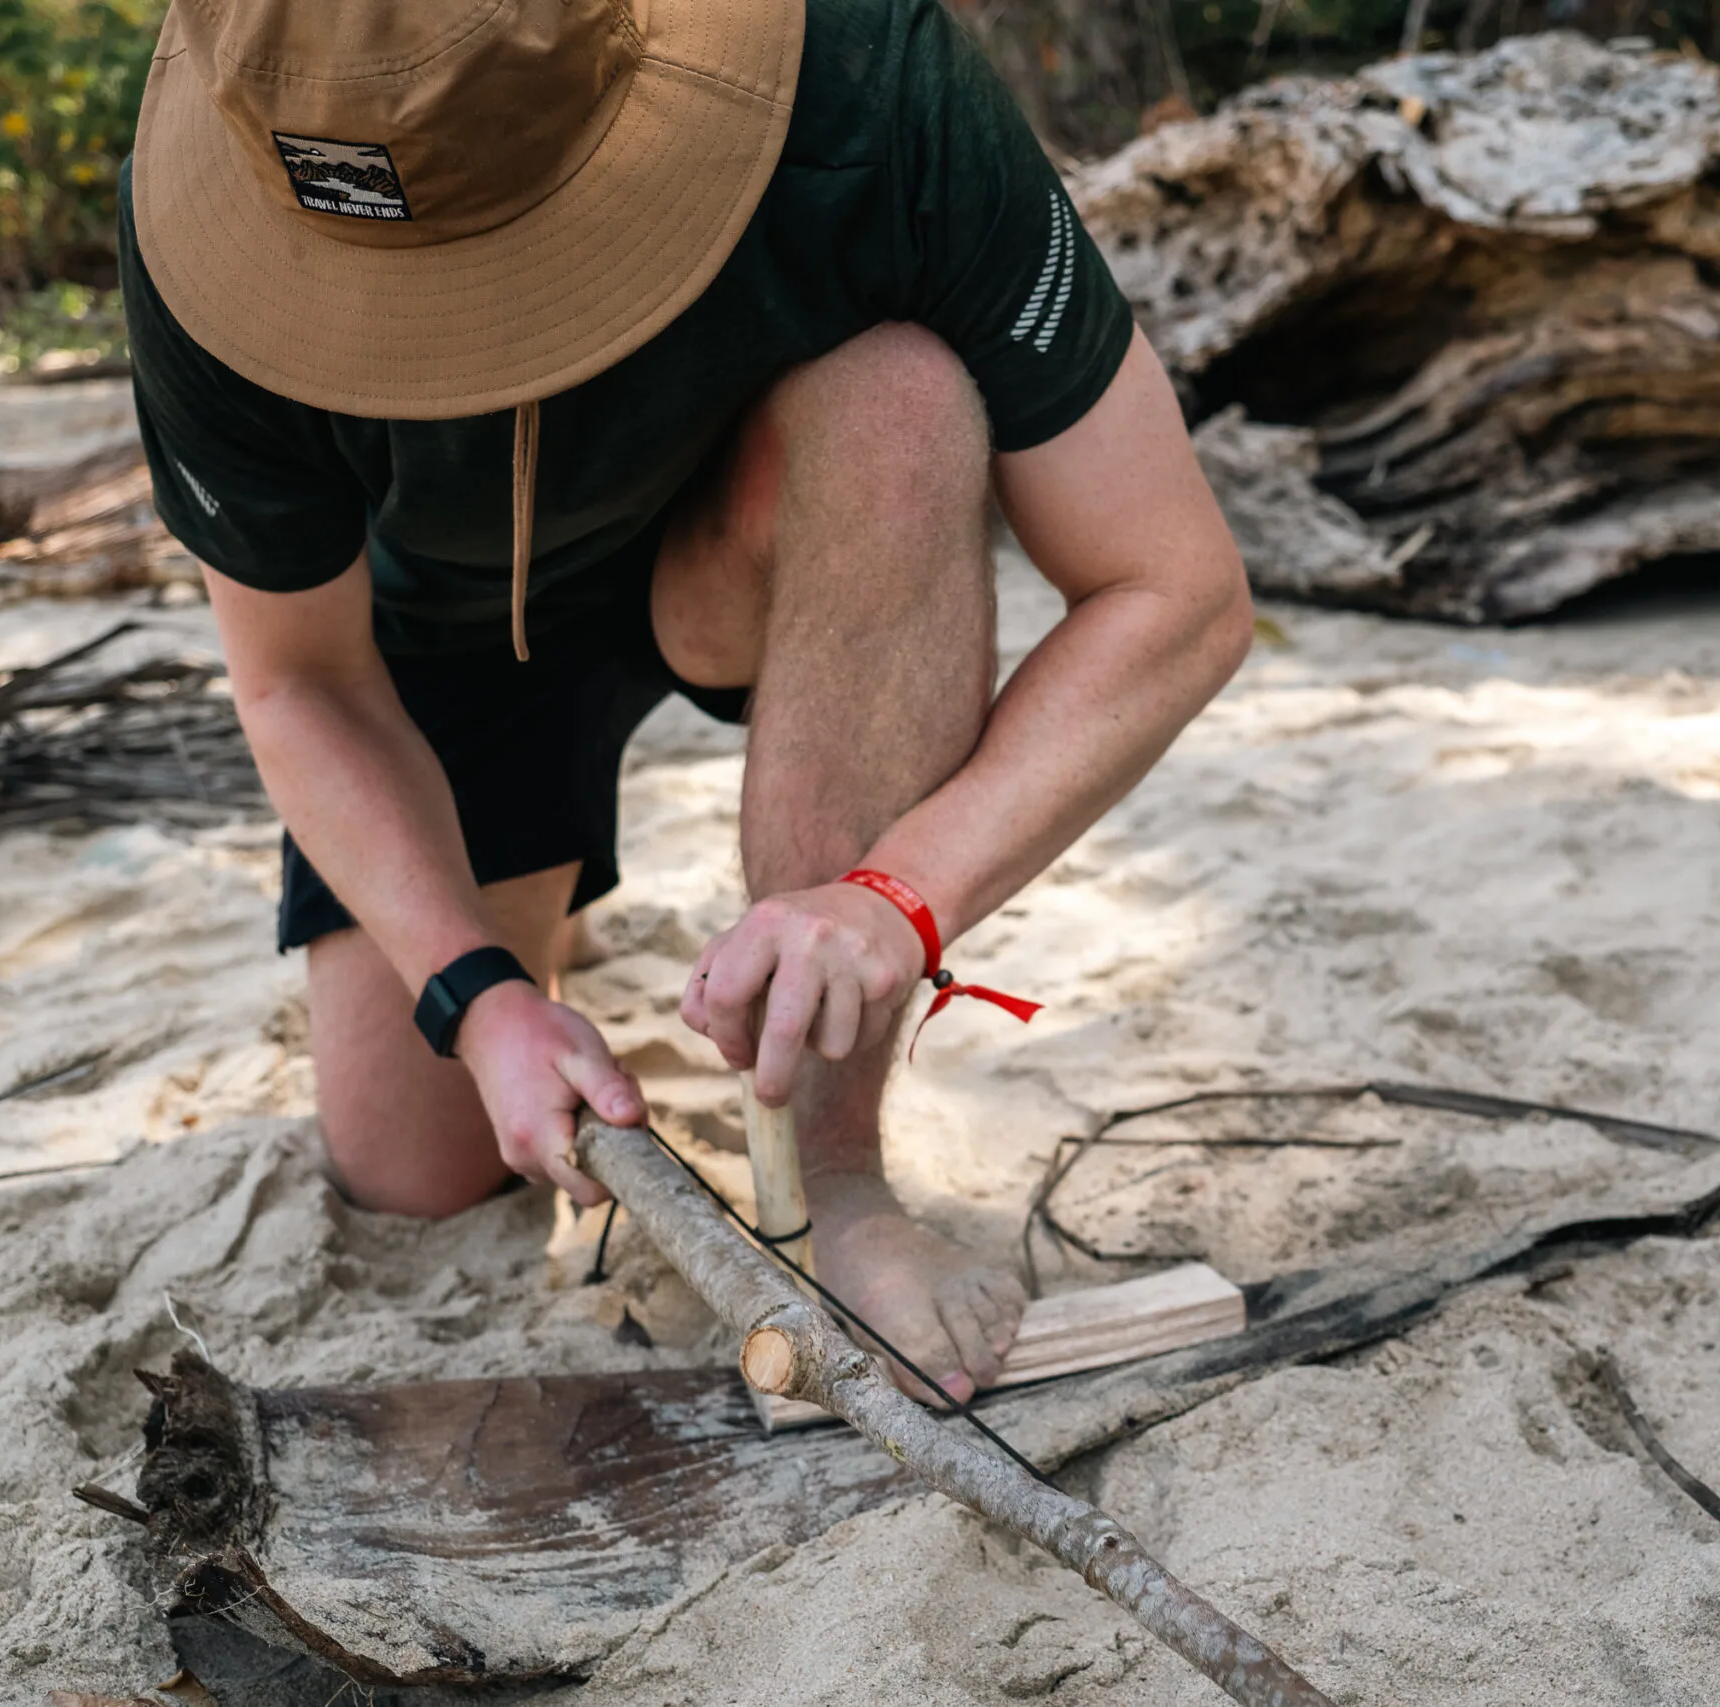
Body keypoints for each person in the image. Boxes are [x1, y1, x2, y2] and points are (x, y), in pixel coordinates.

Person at [124, 0, 1252, 1404]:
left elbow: (1177, 592)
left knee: (900, 401)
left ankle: (836, 1184)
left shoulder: (866, 75)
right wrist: (477, 998)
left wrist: (894, 896)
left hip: (744, 531)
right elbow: (299, 678)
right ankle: (540, 908)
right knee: (413, 1171)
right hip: (443, 638)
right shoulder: (242, 135)